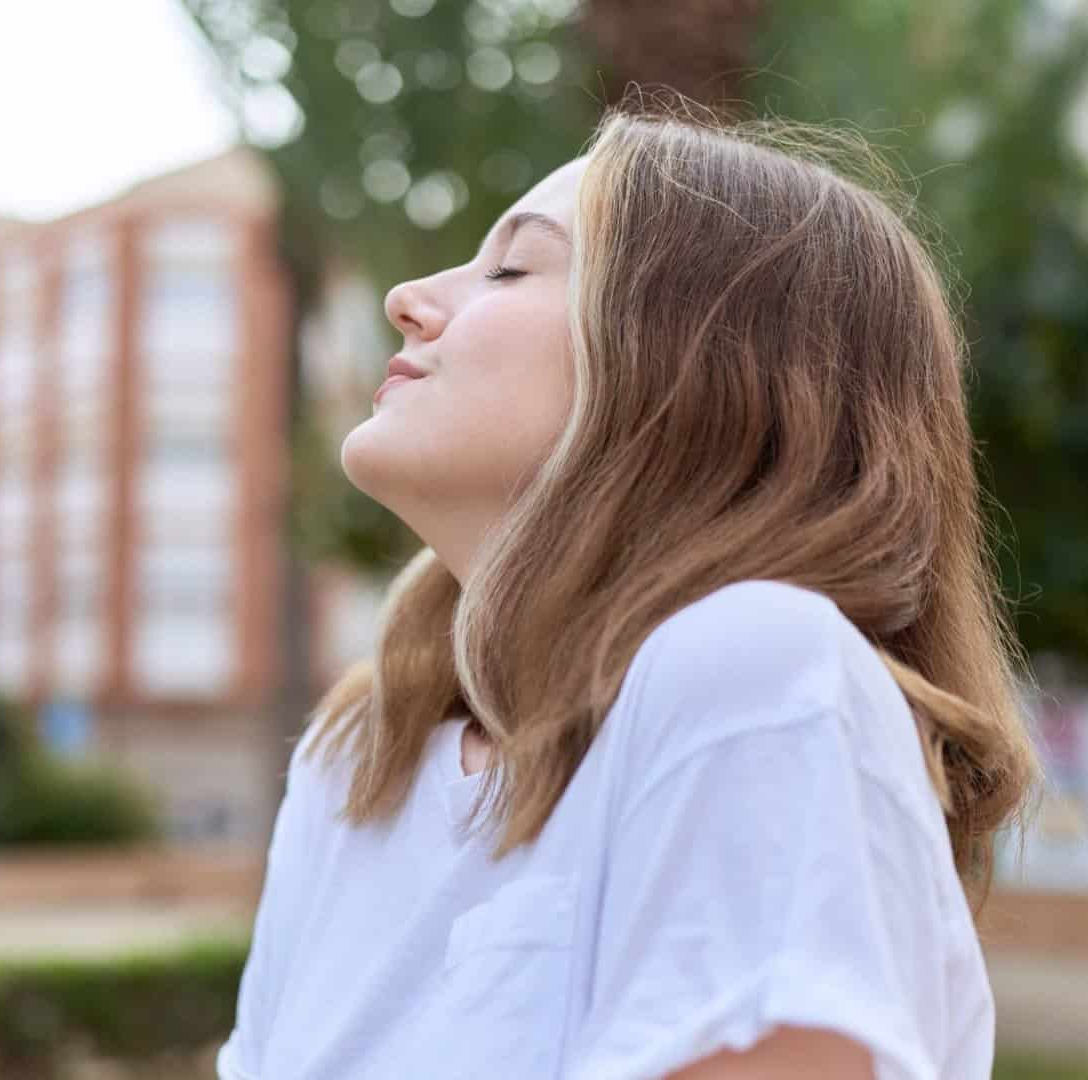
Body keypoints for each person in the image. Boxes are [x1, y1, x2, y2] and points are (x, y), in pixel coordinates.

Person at [216, 103, 1042, 1080]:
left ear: (696, 369)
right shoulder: (359, 756)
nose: (408, 297)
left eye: (514, 267)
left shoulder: (759, 664)